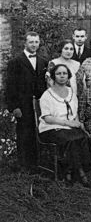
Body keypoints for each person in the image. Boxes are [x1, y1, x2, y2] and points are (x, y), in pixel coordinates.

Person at [39, 64, 91, 187]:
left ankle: (69, 170)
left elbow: (75, 113)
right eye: (58, 74)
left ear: (68, 76)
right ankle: (80, 172)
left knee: (82, 137)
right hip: (51, 128)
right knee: (71, 139)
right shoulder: (47, 95)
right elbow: (47, 118)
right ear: (53, 76)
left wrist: (79, 124)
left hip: (69, 127)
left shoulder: (71, 93)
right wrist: (68, 123)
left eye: (64, 73)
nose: (62, 76)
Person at [6, 31, 47, 170]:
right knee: (24, 133)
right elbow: (10, 86)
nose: (34, 45)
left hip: (39, 104)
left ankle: (37, 163)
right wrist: (14, 107)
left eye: (36, 42)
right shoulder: (15, 62)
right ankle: (24, 165)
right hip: (23, 105)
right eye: (31, 42)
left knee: (37, 132)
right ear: (25, 43)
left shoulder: (43, 62)